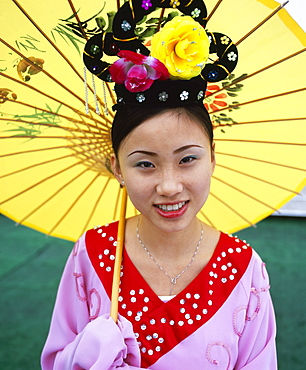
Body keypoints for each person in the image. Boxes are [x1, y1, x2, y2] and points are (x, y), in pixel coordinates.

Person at [41, 4, 277, 369]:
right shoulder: (91, 253)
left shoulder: (244, 268)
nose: (168, 186)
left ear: (212, 157)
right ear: (117, 168)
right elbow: (55, 359)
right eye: (145, 164)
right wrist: (89, 352)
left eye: (187, 159)